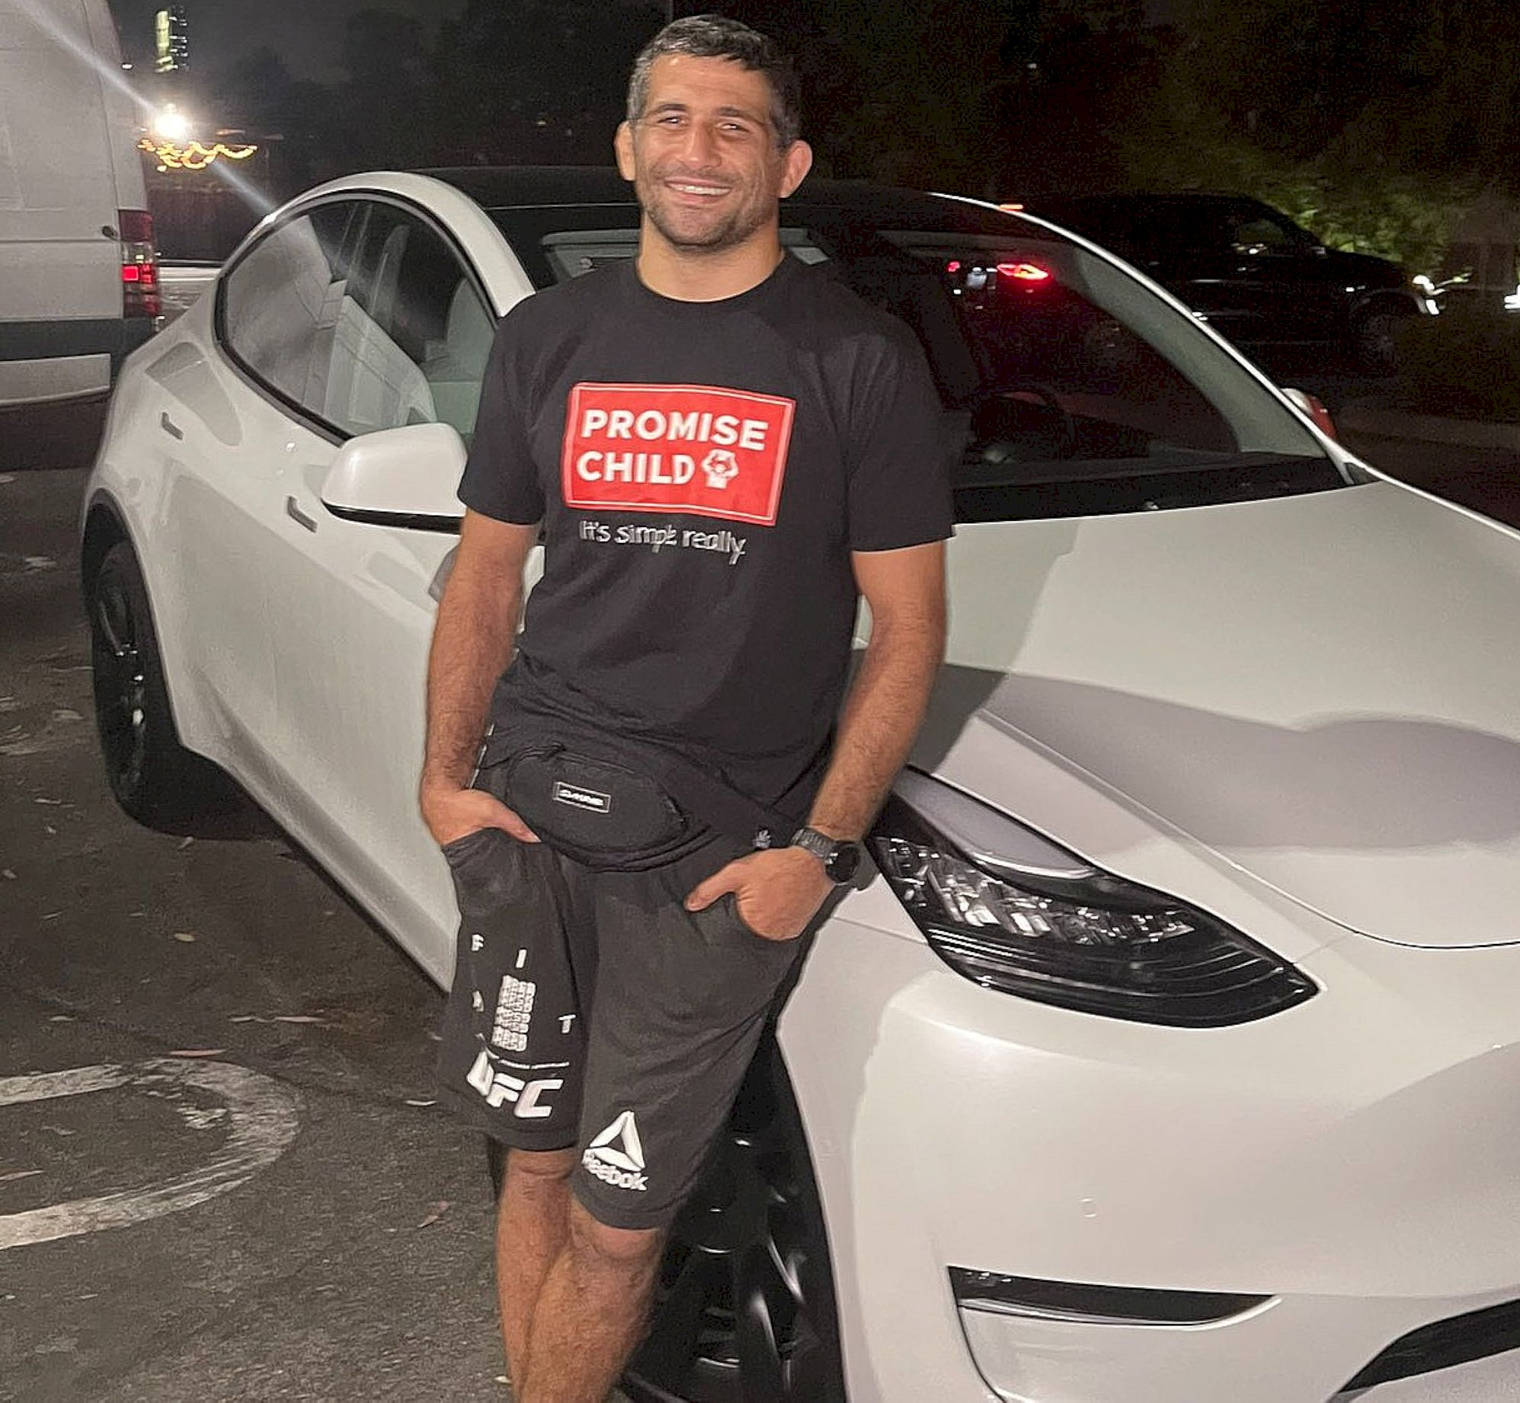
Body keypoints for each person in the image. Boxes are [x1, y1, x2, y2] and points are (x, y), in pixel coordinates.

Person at [417, 16, 952, 1402]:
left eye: (733, 126)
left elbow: (907, 632)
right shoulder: (549, 337)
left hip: (715, 858)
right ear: (625, 147)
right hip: (530, 811)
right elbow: (484, 577)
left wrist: (817, 859)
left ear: (788, 164)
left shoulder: (856, 361)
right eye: (669, 119)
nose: (695, 150)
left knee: (614, 1224)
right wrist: (444, 779)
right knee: (532, 1158)